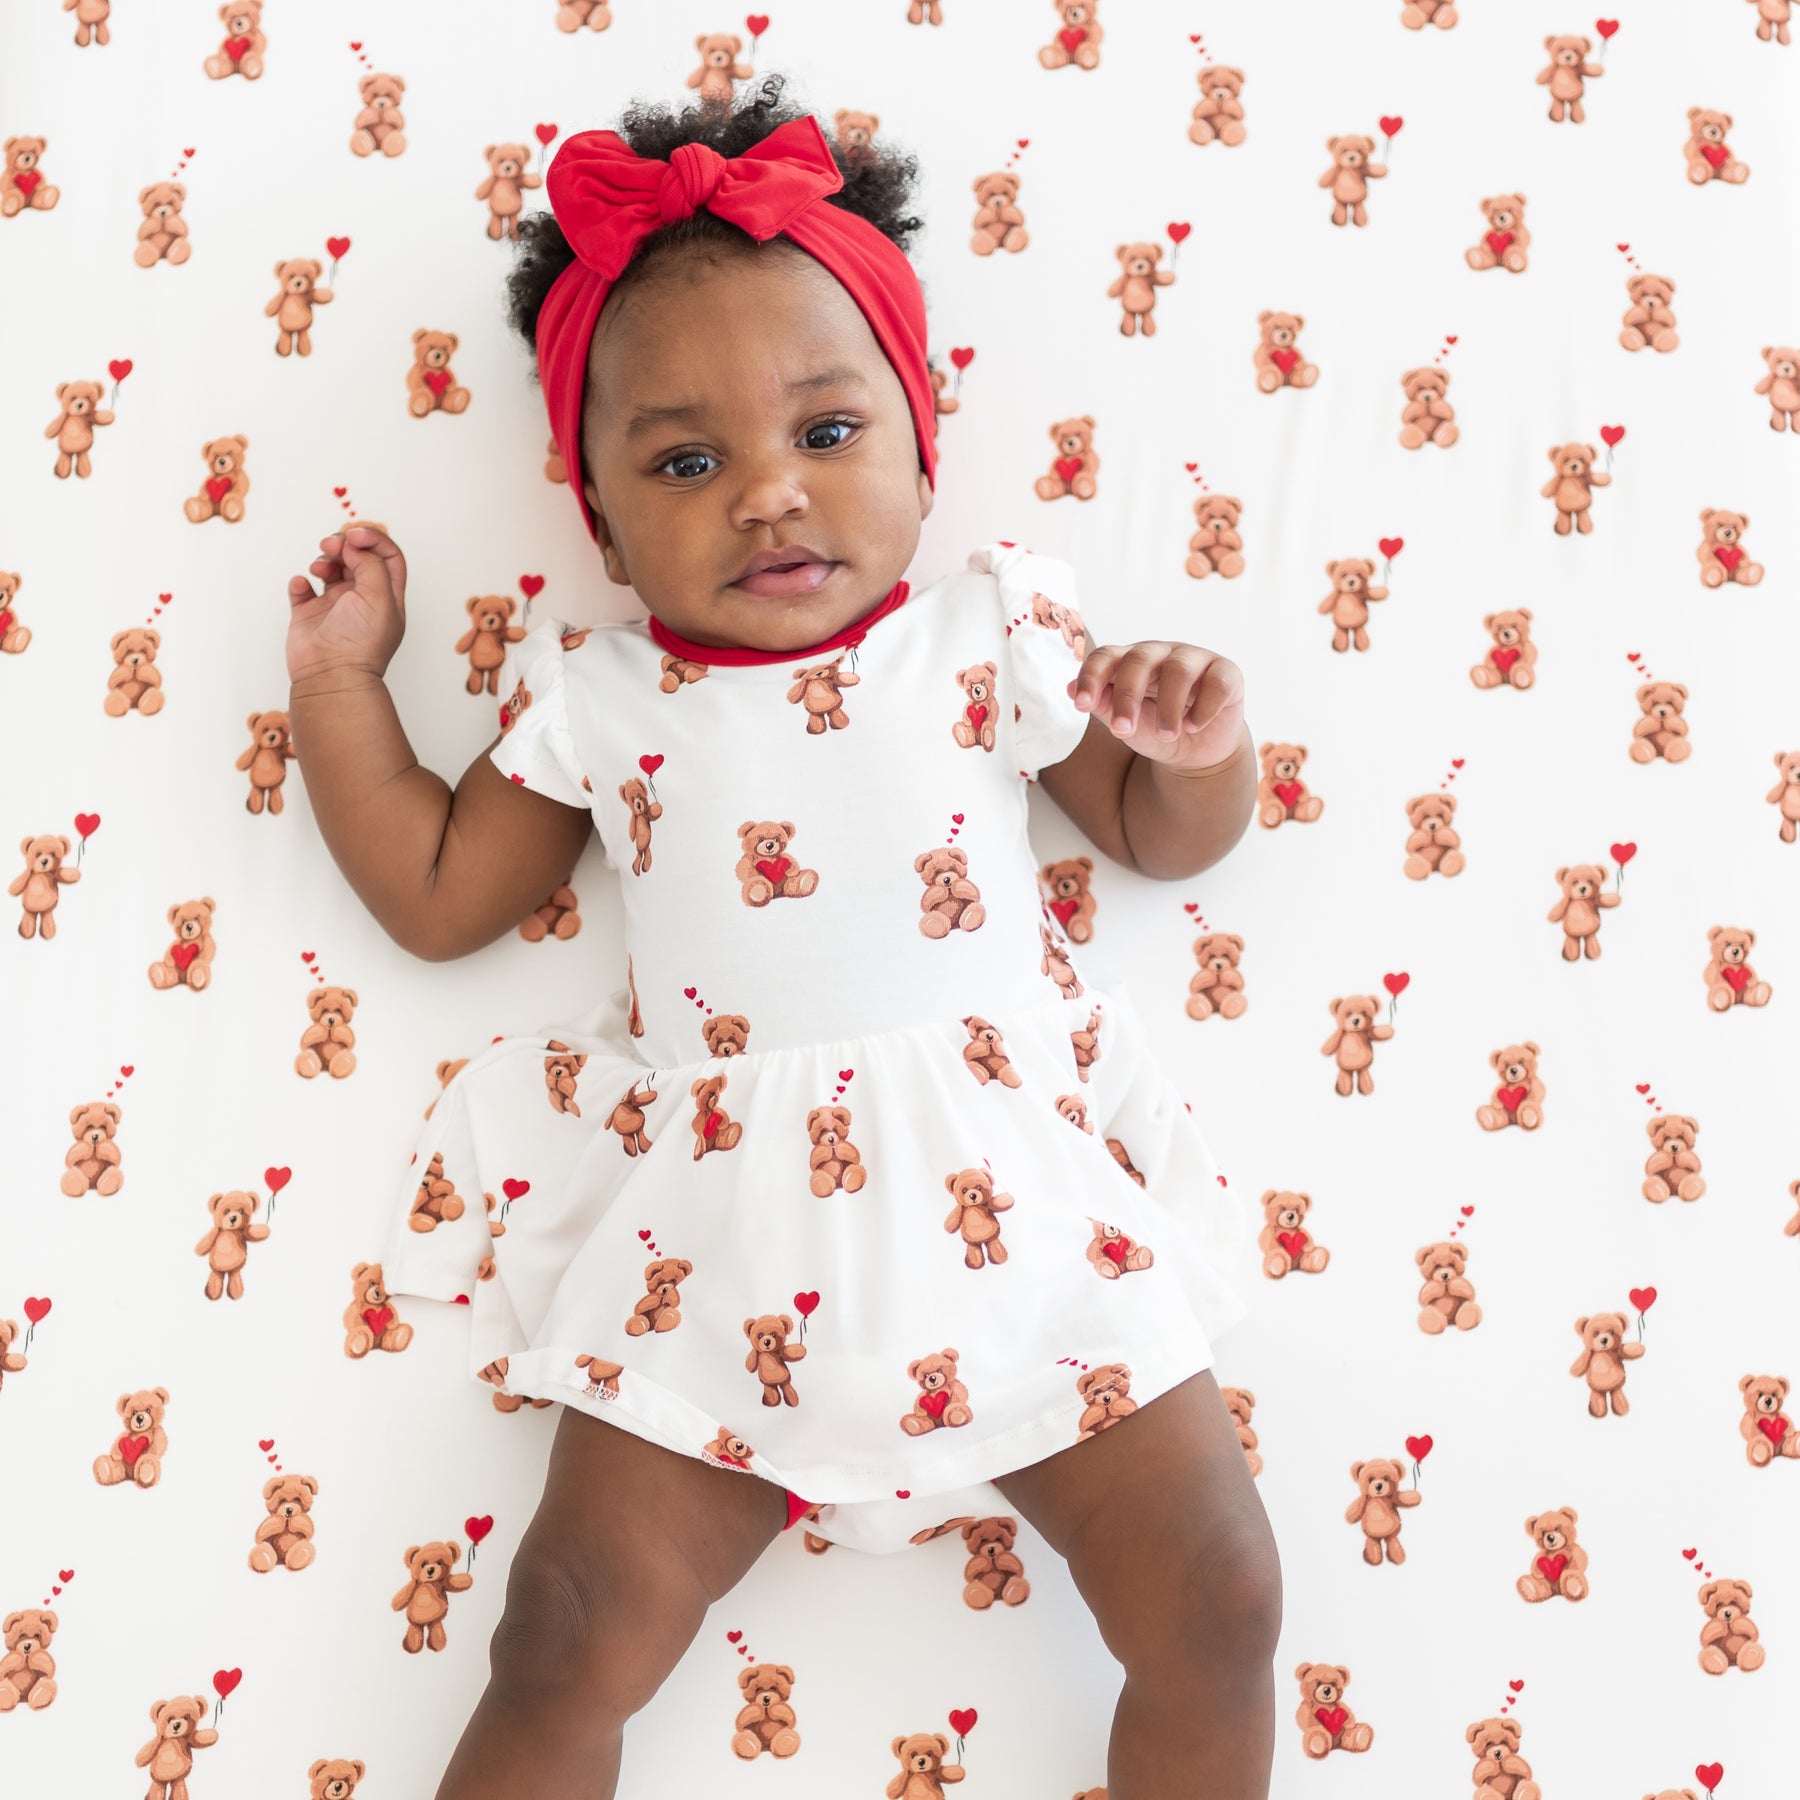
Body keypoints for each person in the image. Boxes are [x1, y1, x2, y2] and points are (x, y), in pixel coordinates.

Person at [285, 73, 1278, 1800]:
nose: (766, 496)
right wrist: (337, 686)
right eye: (686, 461)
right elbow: (438, 895)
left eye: (826, 434)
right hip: (726, 1243)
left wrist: (1199, 748)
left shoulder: (988, 636)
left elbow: (1152, 834)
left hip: (1018, 1216)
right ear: (599, 521)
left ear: (921, 445)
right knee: (561, 1628)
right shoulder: (602, 701)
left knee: (1222, 1594)